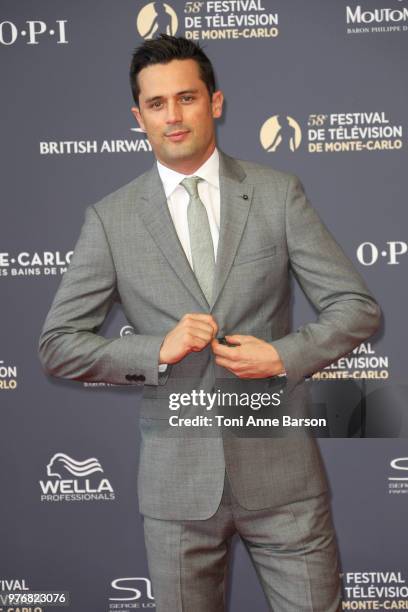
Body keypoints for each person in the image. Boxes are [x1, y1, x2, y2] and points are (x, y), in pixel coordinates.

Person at [39, 34, 381, 611]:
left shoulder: (277, 195)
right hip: (178, 492)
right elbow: (57, 345)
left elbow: (357, 307)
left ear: (214, 103)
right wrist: (155, 350)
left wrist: (284, 355)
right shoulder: (111, 220)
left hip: (284, 482)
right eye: (156, 104)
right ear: (138, 117)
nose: (173, 117)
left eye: (187, 98)